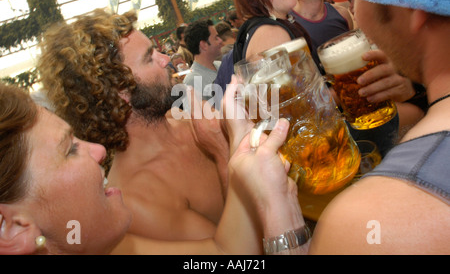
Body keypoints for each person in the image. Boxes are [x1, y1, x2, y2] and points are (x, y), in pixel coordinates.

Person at [0, 81, 307, 255]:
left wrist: (239, 142)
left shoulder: (112, 247)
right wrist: (287, 235)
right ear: (11, 227)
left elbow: (223, 254)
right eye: (69, 150)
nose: (98, 151)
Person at [36, 9, 229, 242]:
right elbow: (233, 253)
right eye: (150, 57)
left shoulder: (184, 118)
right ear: (119, 93)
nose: (165, 59)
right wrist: (222, 151)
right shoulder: (138, 197)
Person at [304, 0, 450, 254]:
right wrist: (418, 86)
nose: (353, 10)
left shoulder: (362, 223)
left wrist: (275, 219)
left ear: (412, 5)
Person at [183, 19, 223, 101]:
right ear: (204, 45)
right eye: (216, 38)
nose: (220, 40)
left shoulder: (221, 65)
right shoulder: (192, 81)